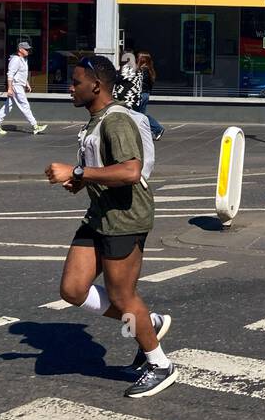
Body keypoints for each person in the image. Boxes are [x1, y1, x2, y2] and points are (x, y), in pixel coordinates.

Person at [46, 55, 174, 399]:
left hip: (125, 217)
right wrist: (82, 181)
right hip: (100, 214)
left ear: (96, 86)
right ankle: (151, 323)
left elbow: (131, 171)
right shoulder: (94, 120)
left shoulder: (116, 121)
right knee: (73, 289)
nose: (70, 88)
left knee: (122, 295)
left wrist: (76, 173)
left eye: (76, 83)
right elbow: (104, 167)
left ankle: (160, 364)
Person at [0, 41, 47, 136]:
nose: (28, 51)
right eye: (26, 49)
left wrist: (26, 83)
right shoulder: (15, 60)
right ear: (20, 50)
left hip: (19, 85)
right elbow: (10, 74)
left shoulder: (24, 59)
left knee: (8, 106)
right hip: (16, 86)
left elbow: (22, 74)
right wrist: (10, 88)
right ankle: (35, 126)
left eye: (29, 49)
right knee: (25, 105)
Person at [135, 51, 164, 141]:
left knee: (137, 115)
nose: (136, 59)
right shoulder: (150, 70)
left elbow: (138, 84)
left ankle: (157, 128)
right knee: (140, 115)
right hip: (145, 94)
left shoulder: (142, 71)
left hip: (141, 95)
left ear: (141, 60)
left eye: (137, 58)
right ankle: (155, 129)